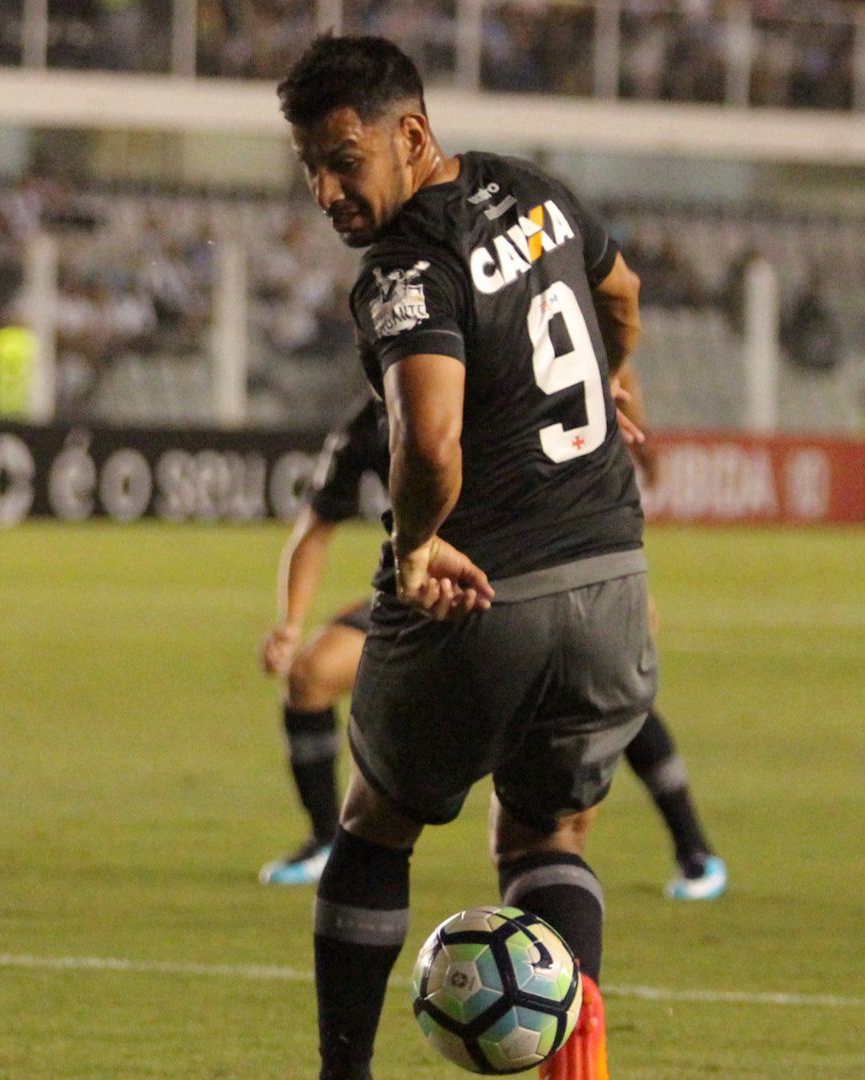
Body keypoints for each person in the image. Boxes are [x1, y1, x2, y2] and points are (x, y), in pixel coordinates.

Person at [280, 35, 656, 1079]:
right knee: (547, 835)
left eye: (343, 161)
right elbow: (621, 296)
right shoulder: (540, 191)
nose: (325, 190)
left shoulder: (407, 264)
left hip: (485, 594)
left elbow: (430, 438)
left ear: (412, 135)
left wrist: (414, 551)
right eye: (309, 166)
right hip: (615, 580)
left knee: (376, 825)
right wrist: (616, 387)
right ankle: (575, 1072)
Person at [257, 393, 727, 901]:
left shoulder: (502, 394)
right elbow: (315, 527)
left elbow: (584, 498)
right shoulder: (368, 422)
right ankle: (326, 840)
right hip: (424, 592)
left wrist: (623, 586)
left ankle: (693, 849)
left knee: (598, 687)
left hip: (528, 579)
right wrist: (290, 624)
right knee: (310, 674)